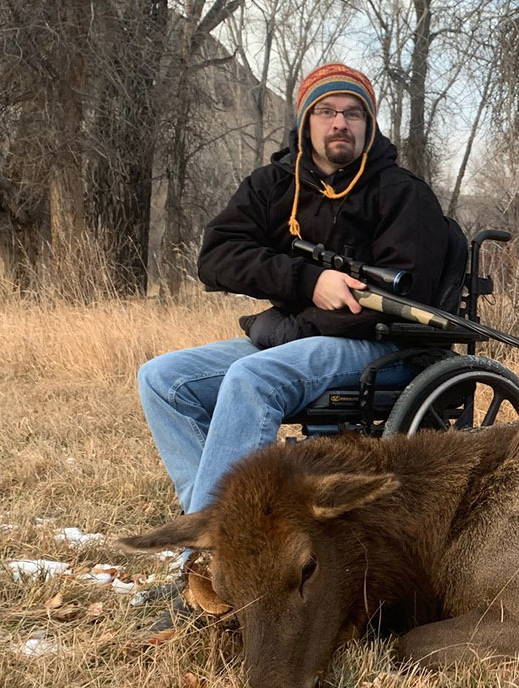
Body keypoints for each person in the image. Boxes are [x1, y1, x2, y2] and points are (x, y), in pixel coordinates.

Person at [135, 63, 449, 627]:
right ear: (306, 123)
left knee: (253, 379)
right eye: (327, 112)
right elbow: (218, 257)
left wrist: (306, 318)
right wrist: (307, 283)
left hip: (378, 344)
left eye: (353, 113)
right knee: (162, 379)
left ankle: (200, 571)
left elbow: (412, 288)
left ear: (369, 125)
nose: (340, 123)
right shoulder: (273, 186)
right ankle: (222, 543)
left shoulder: (403, 194)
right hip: (292, 336)